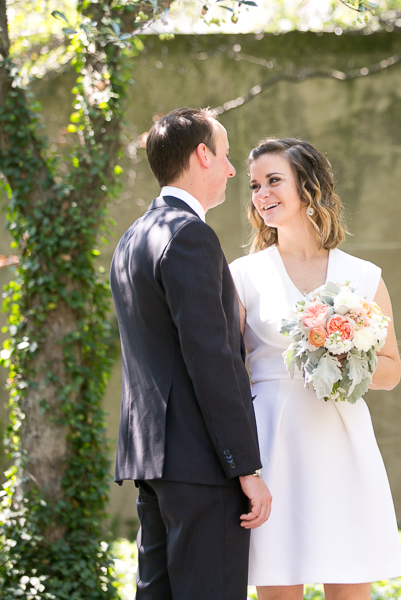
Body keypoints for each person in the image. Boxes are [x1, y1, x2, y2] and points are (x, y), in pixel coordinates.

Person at [229, 138, 401, 600]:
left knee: (348, 583)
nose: (261, 193)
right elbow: (226, 370)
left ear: (307, 187)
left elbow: (391, 370)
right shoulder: (242, 276)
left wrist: (344, 360)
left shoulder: (363, 276)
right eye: (254, 185)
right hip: (272, 442)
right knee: (278, 585)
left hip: (341, 440)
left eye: (273, 181)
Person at [110, 107, 273, 600]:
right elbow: (213, 359)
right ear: (202, 154)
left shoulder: (132, 238)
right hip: (201, 465)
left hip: (153, 463)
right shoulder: (190, 236)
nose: (229, 170)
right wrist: (246, 467)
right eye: (224, 156)